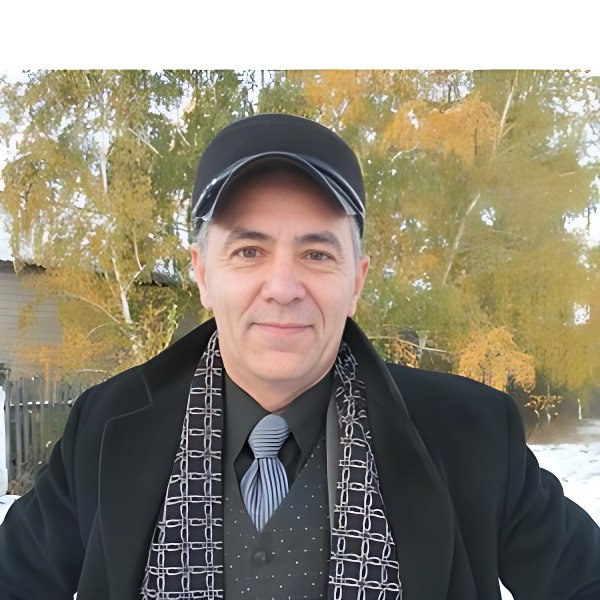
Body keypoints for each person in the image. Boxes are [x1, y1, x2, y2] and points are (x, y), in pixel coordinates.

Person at [0, 113, 598, 600]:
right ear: (202, 274)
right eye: (249, 251)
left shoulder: (470, 435)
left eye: (317, 255)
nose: (283, 287)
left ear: (356, 280)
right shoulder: (106, 427)